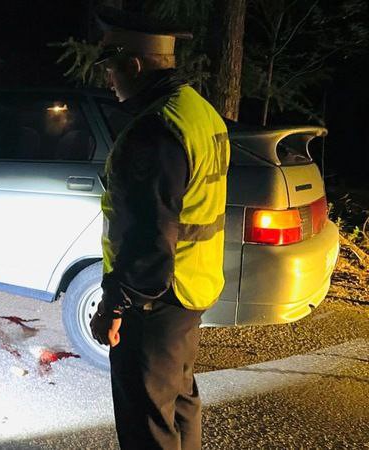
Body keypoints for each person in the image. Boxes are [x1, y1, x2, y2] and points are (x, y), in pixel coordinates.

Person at [88, 8, 230, 450]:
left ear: (133, 65)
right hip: (192, 290)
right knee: (181, 405)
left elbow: (149, 240)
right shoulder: (198, 112)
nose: (109, 78)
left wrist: (115, 305)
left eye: (111, 67)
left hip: (155, 303)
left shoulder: (154, 130)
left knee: (147, 425)